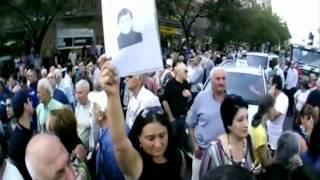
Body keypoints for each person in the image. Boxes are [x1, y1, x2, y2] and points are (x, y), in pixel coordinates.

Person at [99, 61, 186, 180]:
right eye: (150, 138)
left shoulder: (179, 158)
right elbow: (120, 144)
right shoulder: (135, 164)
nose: (158, 144)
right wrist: (112, 94)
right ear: (139, 137)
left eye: (162, 135)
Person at [200, 94, 255, 178]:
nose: (246, 124)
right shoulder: (214, 151)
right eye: (240, 120)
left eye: (247, 118)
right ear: (228, 124)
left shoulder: (249, 142)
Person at [186, 67, 226, 180]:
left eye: (223, 78)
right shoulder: (201, 98)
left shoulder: (230, 100)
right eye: (218, 79)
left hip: (223, 156)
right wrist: (195, 145)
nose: (221, 82)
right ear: (211, 80)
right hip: (202, 154)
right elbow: (190, 124)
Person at [91, 91, 125, 180]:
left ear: (100, 115)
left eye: (93, 110)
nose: (92, 114)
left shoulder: (112, 143)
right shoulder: (110, 131)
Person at [162, 62, 191, 149]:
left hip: (184, 117)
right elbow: (164, 101)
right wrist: (170, 117)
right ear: (179, 72)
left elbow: (188, 100)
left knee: (183, 140)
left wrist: (189, 96)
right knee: (172, 141)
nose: (187, 73)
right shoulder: (170, 84)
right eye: (185, 71)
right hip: (174, 118)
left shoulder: (186, 83)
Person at [8, 90, 33, 179]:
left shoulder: (30, 128)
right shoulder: (17, 140)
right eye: (29, 101)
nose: (32, 103)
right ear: (25, 106)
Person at [250, 95, 274, 168]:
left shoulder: (261, 125)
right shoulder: (260, 132)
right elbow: (265, 163)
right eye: (274, 107)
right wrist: (276, 158)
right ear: (269, 109)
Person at [75, 80, 99, 151]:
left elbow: (96, 132)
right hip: (78, 148)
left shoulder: (94, 108)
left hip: (90, 151)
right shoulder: (78, 106)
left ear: (88, 93)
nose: (78, 96)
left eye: (80, 93)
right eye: (76, 93)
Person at [267, 75, 289, 151]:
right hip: (266, 133)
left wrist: (271, 98)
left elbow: (272, 117)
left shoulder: (283, 99)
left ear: (274, 85)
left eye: (269, 84)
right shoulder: (273, 96)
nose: (268, 86)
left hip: (274, 137)